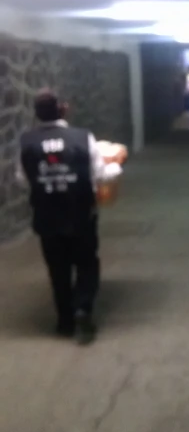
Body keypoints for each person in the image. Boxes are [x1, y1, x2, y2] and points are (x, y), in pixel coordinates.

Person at [17, 89, 122, 344]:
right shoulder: (82, 138)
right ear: (63, 109)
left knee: (57, 268)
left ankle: (64, 321)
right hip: (80, 214)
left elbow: (22, 179)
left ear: (37, 114)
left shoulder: (26, 141)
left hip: (47, 217)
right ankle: (82, 308)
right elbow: (98, 175)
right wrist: (117, 165)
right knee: (86, 264)